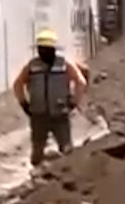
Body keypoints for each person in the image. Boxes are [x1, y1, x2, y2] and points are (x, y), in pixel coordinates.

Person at [12, 28, 88, 166]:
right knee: (38, 150)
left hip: (59, 114)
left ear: (53, 49)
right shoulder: (32, 66)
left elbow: (81, 82)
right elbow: (17, 84)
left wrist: (73, 103)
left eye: (46, 49)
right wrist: (24, 104)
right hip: (39, 115)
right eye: (41, 49)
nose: (44, 52)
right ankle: (37, 179)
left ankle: (68, 176)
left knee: (66, 149)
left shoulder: (64, 65)